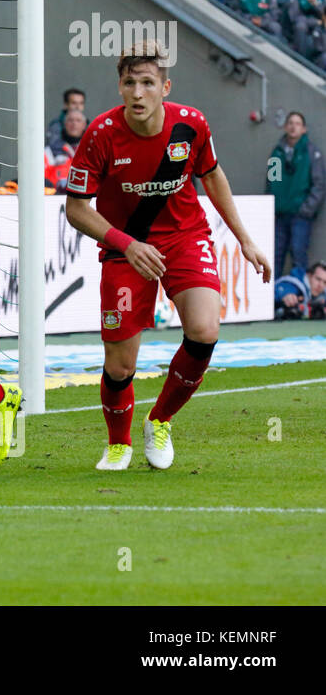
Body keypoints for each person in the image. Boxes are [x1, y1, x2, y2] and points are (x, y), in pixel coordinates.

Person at [64, 42, 272, 471]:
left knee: (204, 329)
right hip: (127, 247)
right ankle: (118, 444)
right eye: (129, 83)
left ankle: (159, 420)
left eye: (147, 83)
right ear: (119, 87)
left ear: (165, 87)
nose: (137, 93)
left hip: (184, 237)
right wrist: (127, 244)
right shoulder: (101, 135)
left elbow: (212, 177)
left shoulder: (191, 125)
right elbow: (76, 208)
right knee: (121, 365)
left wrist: (245, 239)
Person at [267, 111, 325, 277]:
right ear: (285, 127)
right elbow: (272, 182)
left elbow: (319, 184)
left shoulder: (312, 153)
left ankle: (297, 297)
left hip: (300, 217)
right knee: (275, 257)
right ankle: (274, 296)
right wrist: (273, 208)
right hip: (279, 216)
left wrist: (306, 210)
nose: (293, 127)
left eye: (298, 123)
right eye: (290, 123)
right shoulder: (277, 152)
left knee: (298, 255)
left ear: (304, 129)